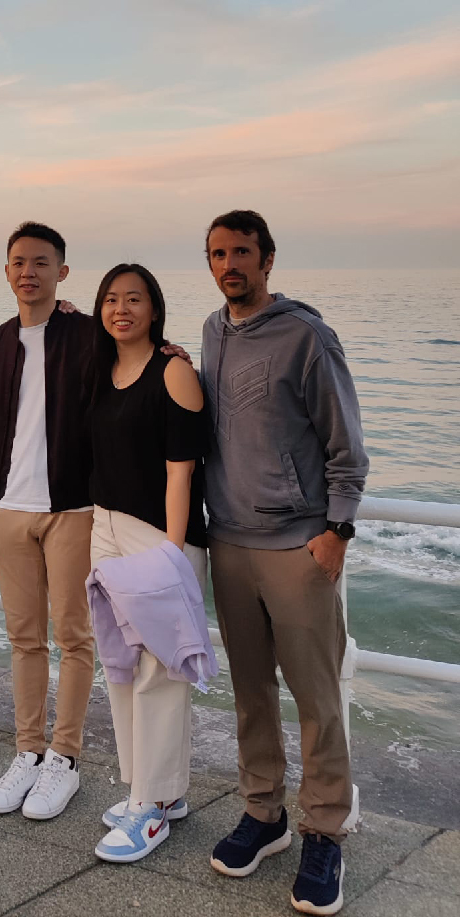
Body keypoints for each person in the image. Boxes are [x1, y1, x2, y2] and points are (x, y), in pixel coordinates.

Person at [201, 210, 368, 916]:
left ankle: (324, 828)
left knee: (318, 698)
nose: (229, 263)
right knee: (250, 694)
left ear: (268, 259)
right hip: (229, 544)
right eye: (218, 253)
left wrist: (336, 531)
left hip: (299, 545)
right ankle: (263, 811)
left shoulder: (306, 334)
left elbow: (346, 445)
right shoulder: (211, 331)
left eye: (242, 252)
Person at [87, 263, 209, 863]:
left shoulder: (175, 371)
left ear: (154, 308)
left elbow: (180, 472)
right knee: (121, 662)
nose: (121, 309)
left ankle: (153, 809)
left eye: (134, 299)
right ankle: (152, 788)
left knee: (162, 668)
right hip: (105, 527)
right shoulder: (101, 368)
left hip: (158, 535)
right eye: (111, 299)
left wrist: (172, 554)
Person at [0, 221, 96, 821]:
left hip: (72, 509)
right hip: (10, 508)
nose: (29, 272)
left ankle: (65, 759)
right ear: (7, 273)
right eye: (19, 262)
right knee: (24, 638)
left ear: (62, 272)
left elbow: (137, 368)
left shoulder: (87, 333)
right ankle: (27, 751)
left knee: (74, 637)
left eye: (42, 262)